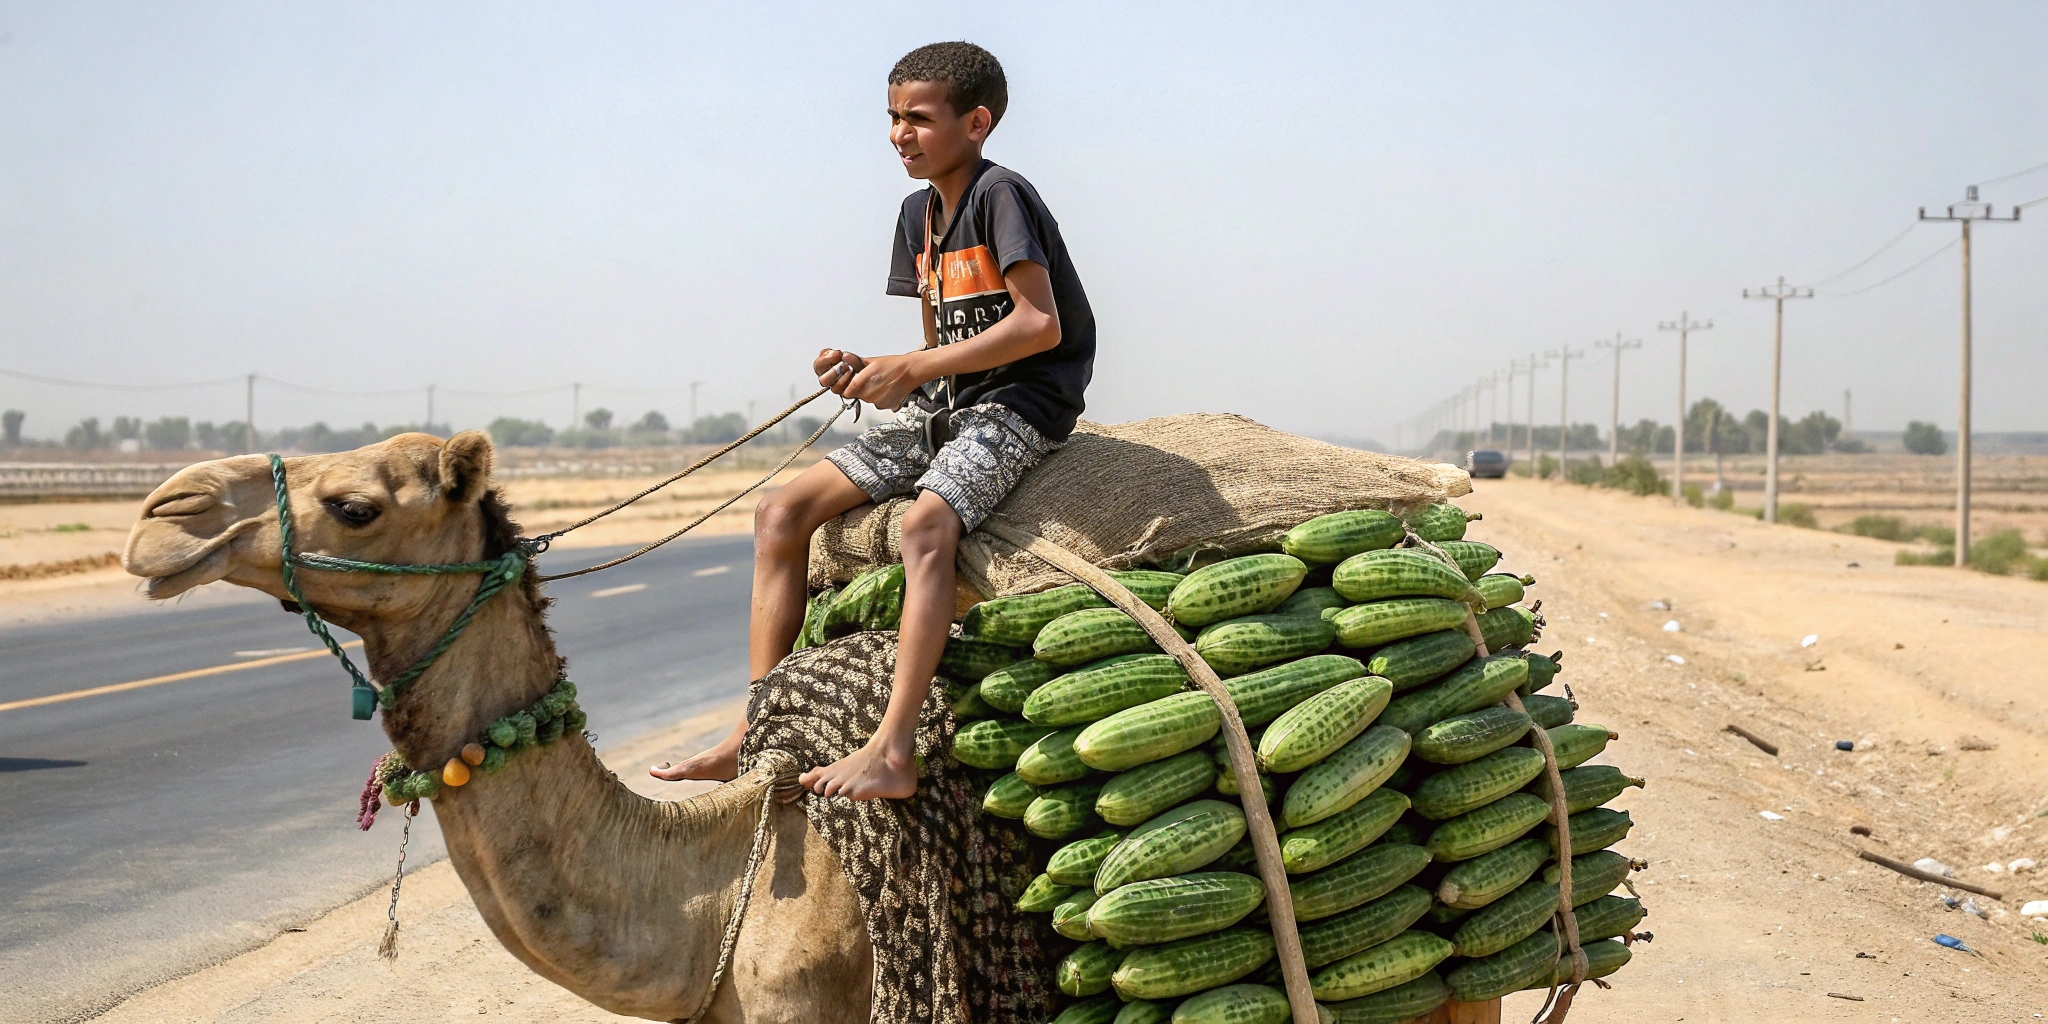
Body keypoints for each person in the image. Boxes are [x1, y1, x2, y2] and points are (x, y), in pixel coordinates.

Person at [652, 41, 1095, 799]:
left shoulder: (1001, 196)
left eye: (918, 119)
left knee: (926, 528)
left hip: (1022, 400)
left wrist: (916, 370)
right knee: (780, 511)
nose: (899, 135)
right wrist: (872, 372)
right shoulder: (916, 215)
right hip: (952, 398)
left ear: (977, 122)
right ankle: (760, 727)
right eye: (892, 118)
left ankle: (893, 749)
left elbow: (1038, 326)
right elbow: (940, 346)